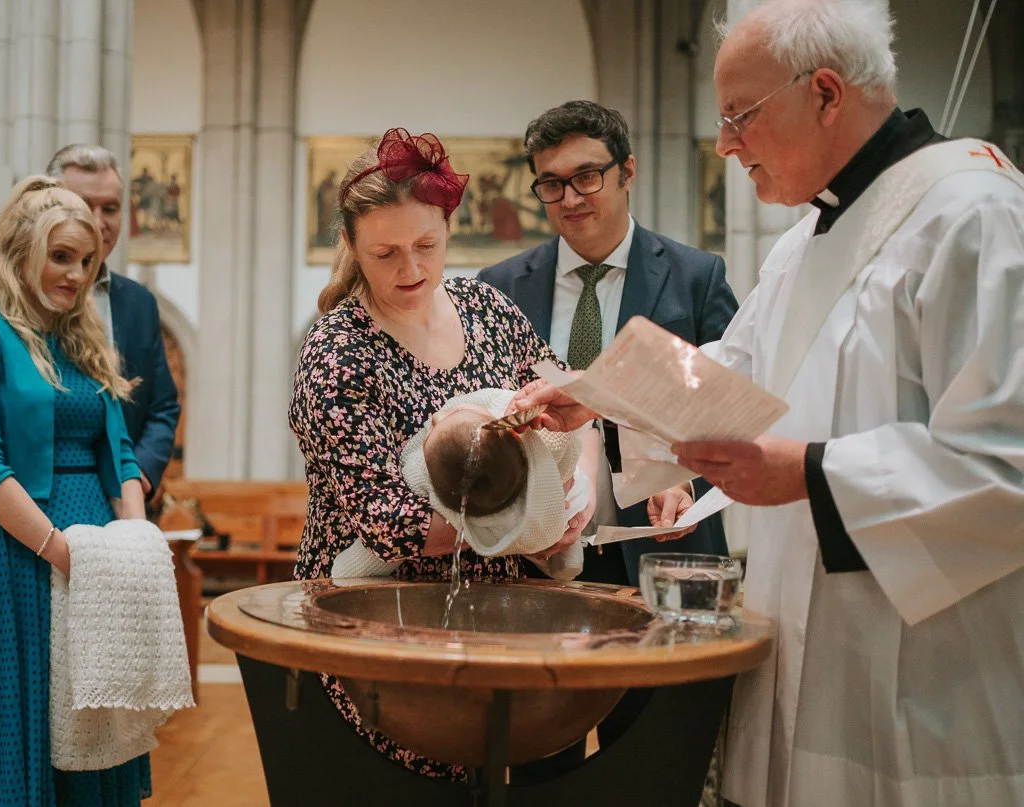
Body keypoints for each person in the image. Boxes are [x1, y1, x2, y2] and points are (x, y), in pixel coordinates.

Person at [511, 1, 1024, 804]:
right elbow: (727, 376)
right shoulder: (803, 243)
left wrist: (812, 474)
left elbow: (1008, 463)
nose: (723, 143)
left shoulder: (974, 214)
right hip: (801, 654)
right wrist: (596, 397)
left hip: (924, 685)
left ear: (825, 93)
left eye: (739, 115)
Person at [289, 127, 695, 783]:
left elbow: (570, 405)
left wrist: (578, 494)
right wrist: (522, 533)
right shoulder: (337, 351)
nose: (411, 268)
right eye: (385, 252)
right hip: (381, 632)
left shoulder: (486, 309)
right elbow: (385, 520)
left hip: (496, 627)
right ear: (350, 246)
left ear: (450, 225)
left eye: (426, 244)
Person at [0, 176, 153, 806]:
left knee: (87, 728)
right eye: (60, 257)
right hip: (13, 554)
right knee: (18, 724)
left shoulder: (83, 342)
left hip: (94, 556)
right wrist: (57, 549)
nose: (75, 275)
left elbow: (120, 455)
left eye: (85, 261)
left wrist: (135, 540)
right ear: (20, 249)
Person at [479, 100, 738, 588]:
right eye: (552, 184)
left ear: (628, 172)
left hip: (665, 538)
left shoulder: (696, 278)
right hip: (534, 554)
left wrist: (680, 475)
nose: (571, 198)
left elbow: (729, 401)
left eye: (588, 176)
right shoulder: (500, 287)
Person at [330, 388, 589, 580]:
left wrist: (345, 573)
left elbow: (365, 562)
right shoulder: (534, 445)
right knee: (569, 498)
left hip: (508, 563)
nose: (436, 416)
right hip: (550, 512)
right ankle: (566, 558)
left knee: (573, 495)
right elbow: (567, 437)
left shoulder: (420, 476)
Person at [46, 145, 181, 501]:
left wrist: (138, 476)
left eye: (110, 208)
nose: (97, 219)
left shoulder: (138, 303)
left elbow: (162, 406)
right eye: (82, 204)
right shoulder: (20, 303)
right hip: (42, 496)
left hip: (122, 498)